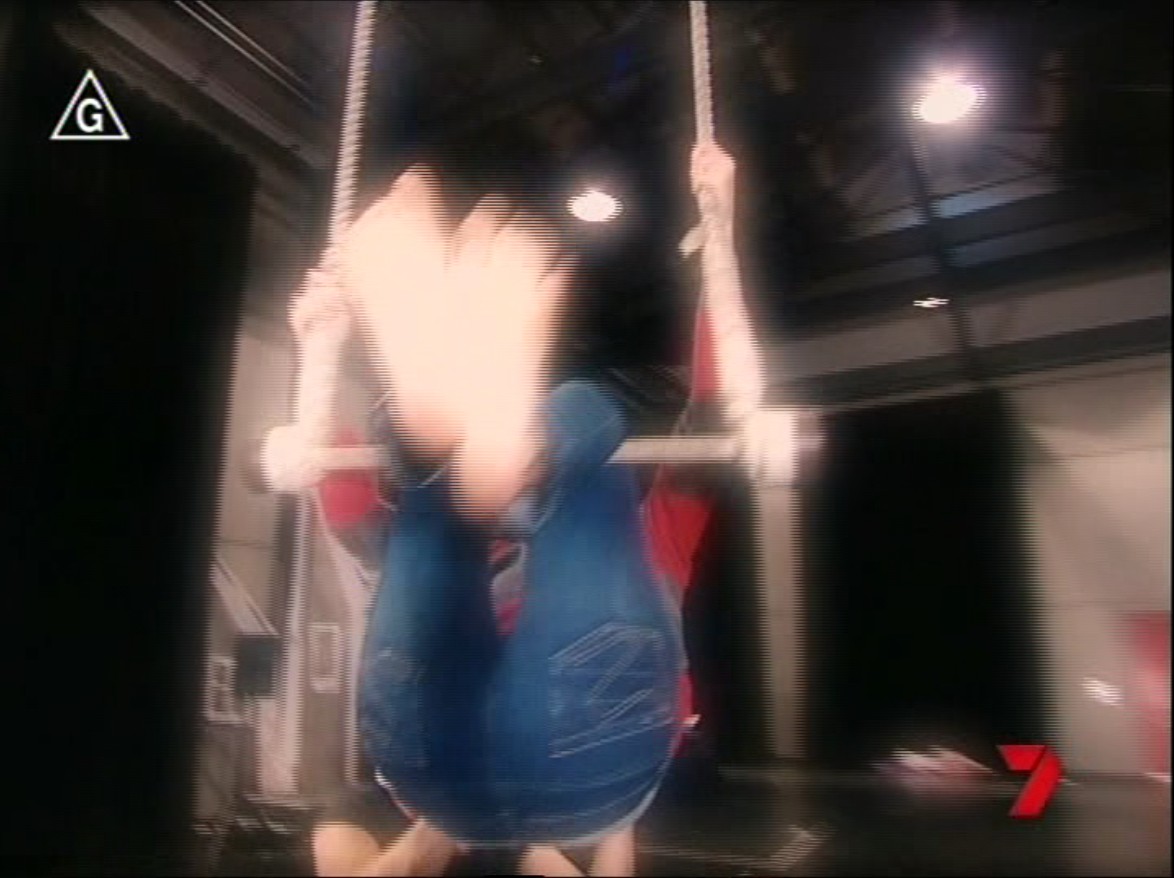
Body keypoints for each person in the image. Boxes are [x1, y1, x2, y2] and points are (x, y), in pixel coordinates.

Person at [308, 141, 743, 876]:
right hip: (537, 760)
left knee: (449, 515)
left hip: (441, 770)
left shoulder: (391, 812)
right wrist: (721, 239)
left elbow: (338, 484)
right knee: (569, 452)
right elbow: (713, 416)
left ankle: (460, 447)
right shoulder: (656, 535)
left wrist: (322, 343)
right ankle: (461, 447)